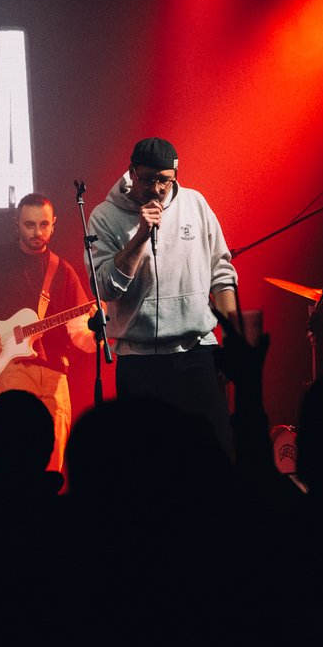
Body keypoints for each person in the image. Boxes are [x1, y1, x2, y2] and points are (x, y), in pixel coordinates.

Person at [89, 137, 238, 457]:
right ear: (132, 172)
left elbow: (222, 273)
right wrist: (140, 236)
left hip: (197, 353)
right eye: (147, 179)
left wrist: (235, 339)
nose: (156, 189)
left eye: (164, 181)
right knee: (147, 464)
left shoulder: (195, 204)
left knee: (216, 456)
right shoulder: (105, 216)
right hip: (140, 361)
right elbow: (105, 288)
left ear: (175, 176)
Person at [0, 193, 96, 474]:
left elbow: (79, 333)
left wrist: (99, 332)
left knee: (56, 452)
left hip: (56, 372)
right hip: (13, 368)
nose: (37, 232)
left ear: (54, 224)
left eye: (44, 224)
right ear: (16, 223)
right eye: (29, 225)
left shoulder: (63, 270)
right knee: (17, 449)